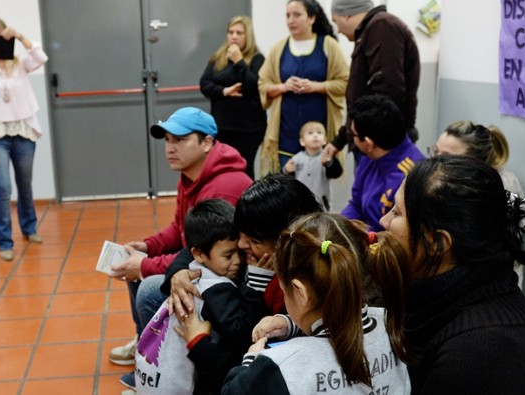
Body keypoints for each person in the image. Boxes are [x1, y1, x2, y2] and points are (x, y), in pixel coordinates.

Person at [379, 155, 525, 393]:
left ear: (437, 243)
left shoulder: (483, 350)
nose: (384, 220)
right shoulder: (436, 289)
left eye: (397, 213)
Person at [107, 107, 252, 383]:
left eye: (180, 140)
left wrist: (146, 266)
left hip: (227, 270)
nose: (170, 148)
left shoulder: (222, 187)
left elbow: (213, 253)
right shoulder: (190, 174)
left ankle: (168, 370)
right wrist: (147, 248)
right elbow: (180, 229)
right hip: (202, 258)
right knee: (137, 264)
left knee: (149, 286)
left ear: (207, 142)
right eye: (168, 141)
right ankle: (146, 343)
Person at [221, 213, 412, 394]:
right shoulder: (391, 320)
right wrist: (291, 324)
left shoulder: (278, 367)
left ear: (299, 291)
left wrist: (252, 360)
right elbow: (340, 321)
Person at [134, 199, 244, 394]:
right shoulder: (216, 288)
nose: (238, 261)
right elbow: (240, 329)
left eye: (240, 253)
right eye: (228, 256)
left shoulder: (197, 268)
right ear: (199, 254)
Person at [0, 16, 48, 261]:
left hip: (23, 130)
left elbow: (41, 57)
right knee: (3, 189)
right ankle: (4, 241)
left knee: (25, 185)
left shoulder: (19, 63)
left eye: (2, 36)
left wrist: (19, 36)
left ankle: (29, 228)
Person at [324, 0, 421, 166]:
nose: (338, 30)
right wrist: (340, 140)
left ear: (346, 15)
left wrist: (364, 139)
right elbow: (363, 98)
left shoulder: (381, 26)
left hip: (381, 146)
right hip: (371, 142)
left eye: (336, 21)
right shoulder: (372, 29)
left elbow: (388, 93)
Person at [429, 121, 525, 287]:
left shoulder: (500, 187)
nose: (433, 161)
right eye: (434, 152)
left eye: (444, 157)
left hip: (492, 286)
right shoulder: (449, 180)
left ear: (474, 161)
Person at [258, 0, 349, 175]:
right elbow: (263, 84)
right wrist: (283, 87)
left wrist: (316, 86)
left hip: (319, 134)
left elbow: (345, 82)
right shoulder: (279, 49)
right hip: (286, 133)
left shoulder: (328, 45)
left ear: (312, 18)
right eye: (287, 15)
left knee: (316, 189)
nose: (291, 20)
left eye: (297, 15)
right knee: (287, 188)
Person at [341, 95, 424, 231]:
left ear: (368, 143)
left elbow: (397, 238)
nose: (352, 140)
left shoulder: (411, 177)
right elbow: (356, 205)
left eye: (353, 135)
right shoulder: (370, 155)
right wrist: (336, 227)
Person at [200, 16, 266, 179]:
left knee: (244, 167)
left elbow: (254, 86)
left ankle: (248, 204)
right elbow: (205, 84)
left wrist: (239, 62)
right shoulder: (218, 58)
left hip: (249, 128)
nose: (234, 36)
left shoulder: (257, 59)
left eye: (239, 33)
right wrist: (224, 91)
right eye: (231, 32)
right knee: (223, 169)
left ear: (248, 36)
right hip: (222, 125)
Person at [283, 121, 343, 211]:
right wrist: (286, 170)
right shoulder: (296, 159)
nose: (315, 135)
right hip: (301, 203)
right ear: (302, 141)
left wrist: (329, 163)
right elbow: (287, 181)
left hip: (322, 203)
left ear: (325, 140)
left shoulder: (327, 157)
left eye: (319, 132)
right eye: (310, 133)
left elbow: (337, 173)